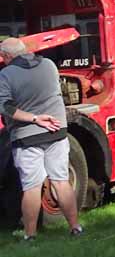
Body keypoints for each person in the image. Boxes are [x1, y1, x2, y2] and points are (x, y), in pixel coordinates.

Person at [0, 37, 82, 241]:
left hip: (27, 136)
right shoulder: (49, 65)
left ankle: (30, 236)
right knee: (61, 181)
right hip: (57, 132)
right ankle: (75, 228)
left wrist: (35, 118)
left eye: (2, 56)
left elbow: (6, 108)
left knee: (32, 187)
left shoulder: (6, 74)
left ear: (7, 56)